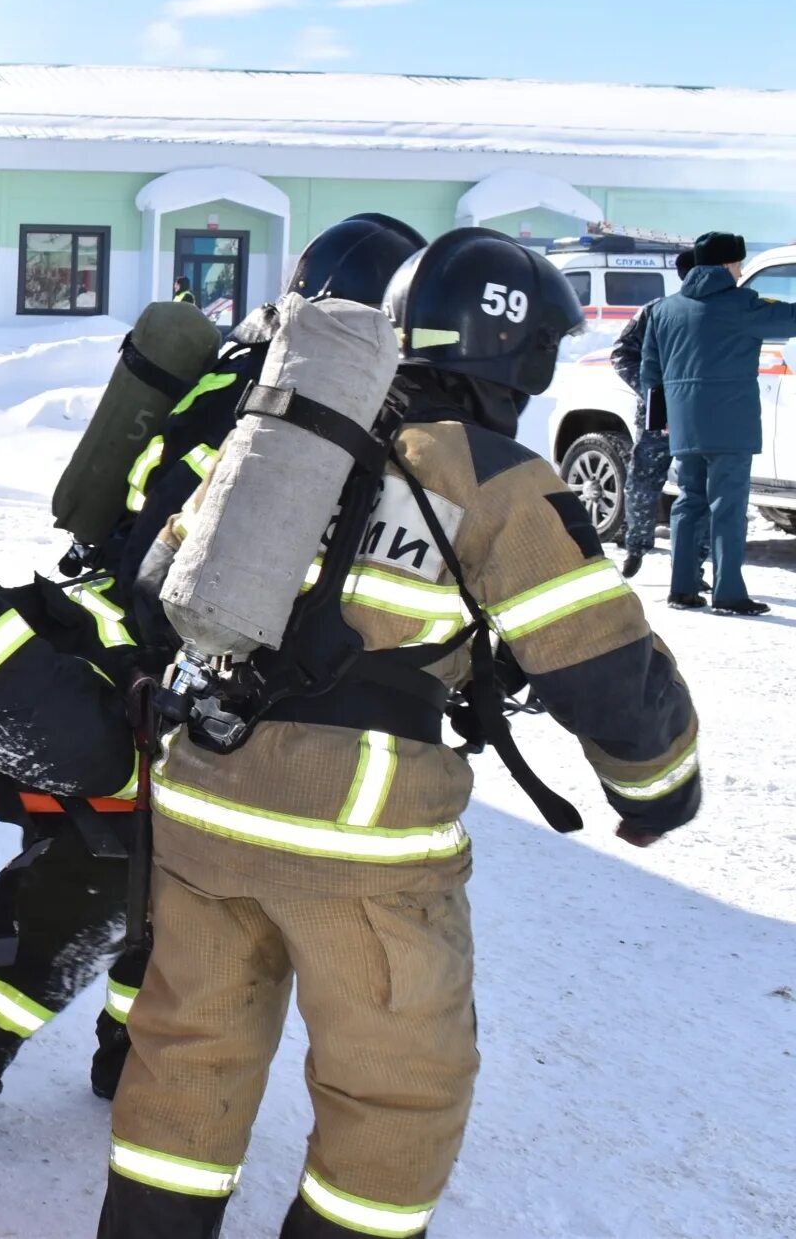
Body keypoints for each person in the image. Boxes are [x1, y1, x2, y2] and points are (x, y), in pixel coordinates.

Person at [101, 228, 700, 1238]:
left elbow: (157, 596)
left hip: (204, 801)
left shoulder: (283, 441)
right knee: (396, 1087)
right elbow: (609, 677)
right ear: (513, 357)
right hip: (356, 844)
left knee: (185, 1056)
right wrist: (657, 797)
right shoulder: (497, 481)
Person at [0, 214, 428, 1157]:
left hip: (142, 654)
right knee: (90, 888)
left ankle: (126, 1052)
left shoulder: (242, 366)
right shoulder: (309, 407)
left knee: (180, 900)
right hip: (153, 673)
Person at [641, 230, 796, 614]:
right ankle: (728, 593)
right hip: (730, 424)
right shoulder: (742, 304)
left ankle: (683, 588)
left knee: (689, 502)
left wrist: (661, 420)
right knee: (727, 507)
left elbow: (650, 372)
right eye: (739, 262)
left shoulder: (664, 309)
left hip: (683, 424)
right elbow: (790, 319)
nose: (741, 269)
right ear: (729, 264)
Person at [611, 250, 695, 578]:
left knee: (695, 485)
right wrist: (650, 390)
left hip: (696, 409)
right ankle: (637, 546)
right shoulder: (656, 310)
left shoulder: (715, 310)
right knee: (644, 478)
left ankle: (691, 565)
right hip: (658, 410)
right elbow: (622, 354)